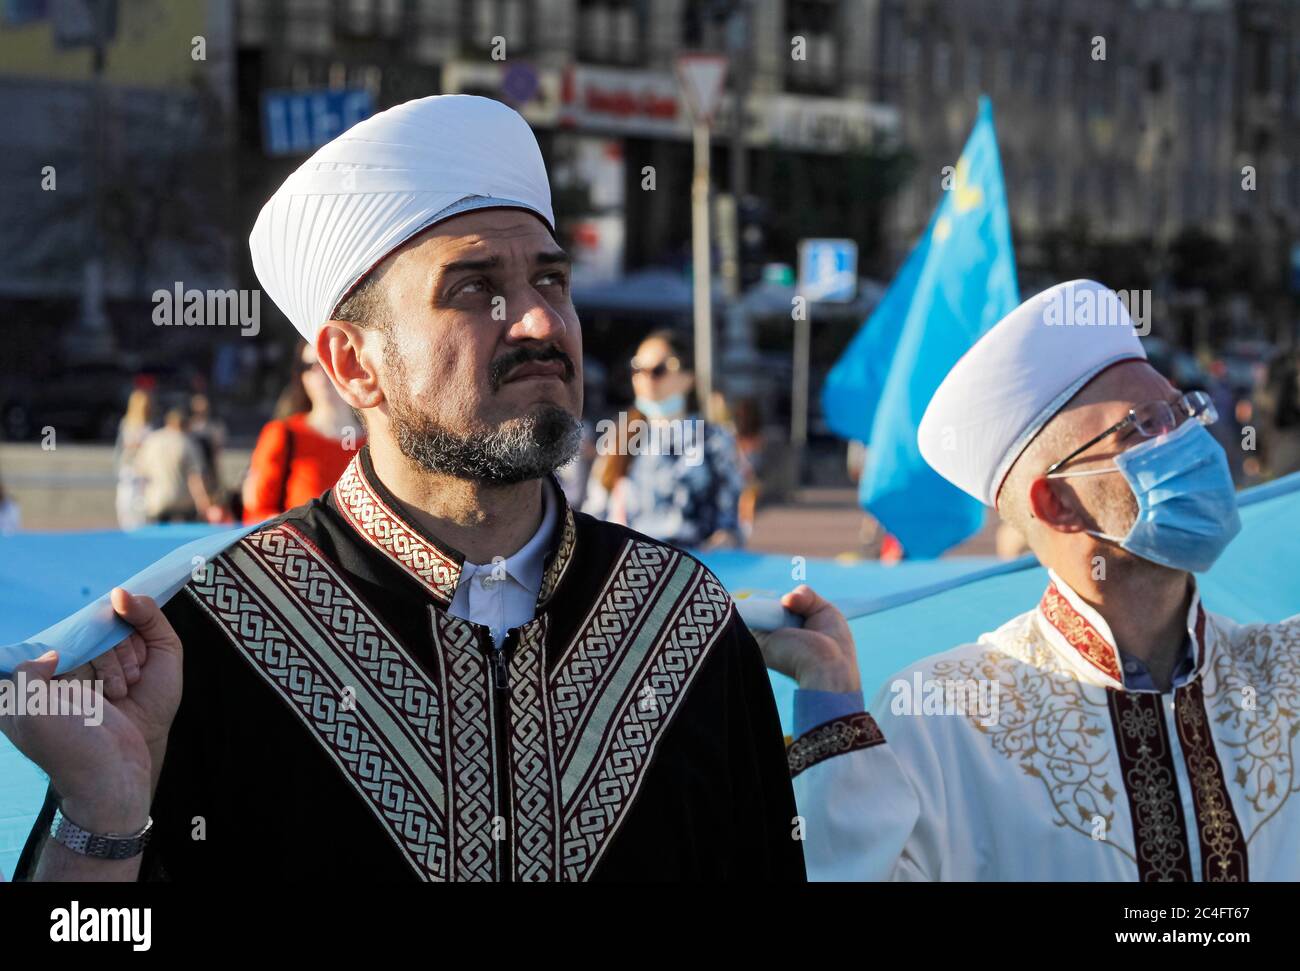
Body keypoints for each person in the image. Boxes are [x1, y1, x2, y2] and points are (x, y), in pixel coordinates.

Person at [8, 95, 803, 882]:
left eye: (552, 281)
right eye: (474, 288)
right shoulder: (205, 639)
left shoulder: (684, 625)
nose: (537, 322)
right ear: (353, 363)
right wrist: (102, 818)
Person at [761, 279, 1300, 881]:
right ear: (1056, 504)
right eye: (1145, 425)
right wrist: (831, 706)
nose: (1188, 438)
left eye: (1183, 409)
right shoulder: (945, 718)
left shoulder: (1288, 670)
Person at [583, 330, 746, 550]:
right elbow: (595, 513)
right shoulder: (620, 433)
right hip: (625, 571)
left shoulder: (714, 440)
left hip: (691, 571)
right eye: (637, 369)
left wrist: (721, 543)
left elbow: (729, 522)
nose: (646, 379)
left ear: (688, 378)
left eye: (659, 370)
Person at [242, 342, 363, 523]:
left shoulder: (378, 442)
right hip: (302, 548)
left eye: (327, 361)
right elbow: (256, 513)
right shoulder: (283, 434)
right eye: (309, 366)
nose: (320, 373)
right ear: (302, 376)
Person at [132, 406, 216, 525]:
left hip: (157, 501)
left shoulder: (152, 440)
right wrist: (203, 504)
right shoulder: (187, 443)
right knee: (189, 541)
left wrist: (141, 498)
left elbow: (140, 471)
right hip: (183, 501)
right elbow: (195, 478)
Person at [113, 386, 156, 530]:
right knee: (126, 501)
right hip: (129, 467)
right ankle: (126, 528)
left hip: (144, 470)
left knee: (141, 503)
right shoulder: (127, 423)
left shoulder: (150, 425)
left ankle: (139, 528)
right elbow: (122, 447)